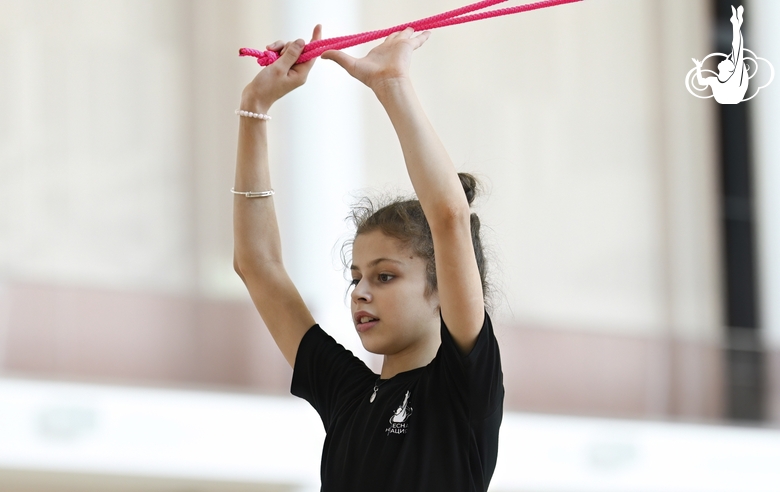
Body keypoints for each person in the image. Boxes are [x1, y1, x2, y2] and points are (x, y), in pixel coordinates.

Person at [232, 24, 504, 492]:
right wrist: (254, 109)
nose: (360, 292)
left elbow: (448, 219)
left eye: (384, 276)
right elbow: (258, 266)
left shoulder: (461, 391)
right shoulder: (347, 393)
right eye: (356, 276)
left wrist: (391, 86)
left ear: (443, 287)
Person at [693, 5, 748, 104]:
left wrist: (698, 67)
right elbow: (737, 49)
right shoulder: (721, 80)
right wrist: (736, 25)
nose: (725, 60)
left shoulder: (723, 80)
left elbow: (737, 49)